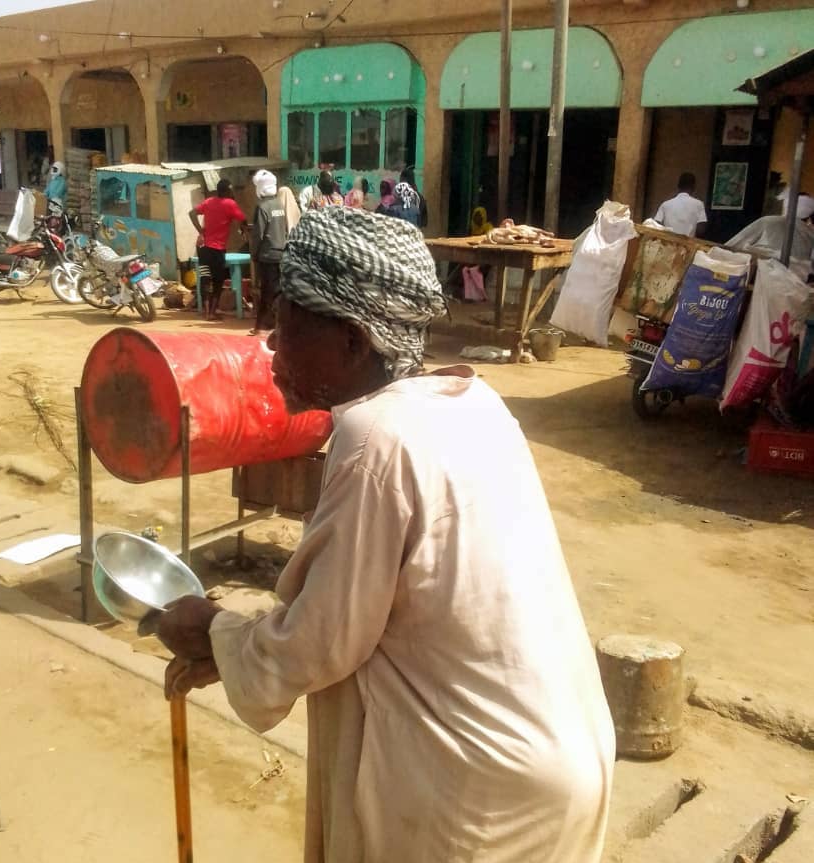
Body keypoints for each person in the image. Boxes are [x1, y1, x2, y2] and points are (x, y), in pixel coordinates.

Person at [156, 207, 616, 863]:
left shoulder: (374, 436)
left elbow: (319, 641)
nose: (270, 348)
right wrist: (230, 650)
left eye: (286, 328)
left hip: (479, 792)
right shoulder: (468, 401)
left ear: (351, 340)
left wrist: (209, 627)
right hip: (563, 753)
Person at [189, 178, 248, 321]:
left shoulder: (209, 201)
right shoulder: (230, 204)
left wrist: (201, 232)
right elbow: (243, 219)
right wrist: (243, 228)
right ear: (228, 190)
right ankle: (212, 313)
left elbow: (191, 213)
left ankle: (206, 311)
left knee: (205, 278)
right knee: (218, 280)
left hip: (202, 246)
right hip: (217, 248)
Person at [727, 194, 814, 282]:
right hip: (794, 285)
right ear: (809, 217)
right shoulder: (811, 235)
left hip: (758, 281)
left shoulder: (768, 221)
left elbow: (730, 246)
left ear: (786, 207)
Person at [248, 169, 290, 335]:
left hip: (267, 255)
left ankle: (262, 327)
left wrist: (254, 253)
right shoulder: (279, 204)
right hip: (281, 253)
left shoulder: (262, 207)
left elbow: (258, 234)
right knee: (278, 291)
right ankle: (275, 326)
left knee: (266, 292)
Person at [654, 172, 707, 238]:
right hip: (688, 246)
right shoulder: (699, 204)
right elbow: (701, 230)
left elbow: (655, 226)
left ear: (678, 186)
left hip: (668, 244)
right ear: (693, 187)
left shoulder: (665, 204)